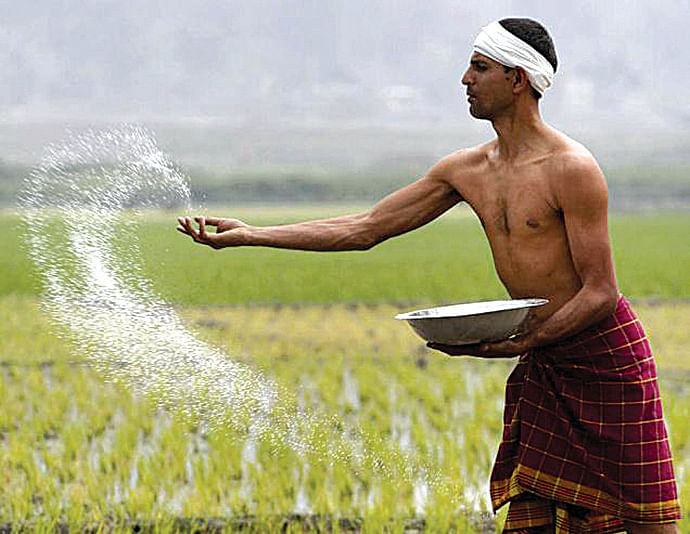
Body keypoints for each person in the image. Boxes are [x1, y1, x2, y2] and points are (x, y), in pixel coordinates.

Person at [177, 18, 681, 534]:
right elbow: (366, 227)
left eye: (480, 68)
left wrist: (520, 342)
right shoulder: (465, 170)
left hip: (605, 360)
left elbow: (601, 292)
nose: (465, 78)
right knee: (539, 520)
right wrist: (253, 234)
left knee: (647, 522)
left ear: (518, 80)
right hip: (544, 358)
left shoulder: (572, 169)